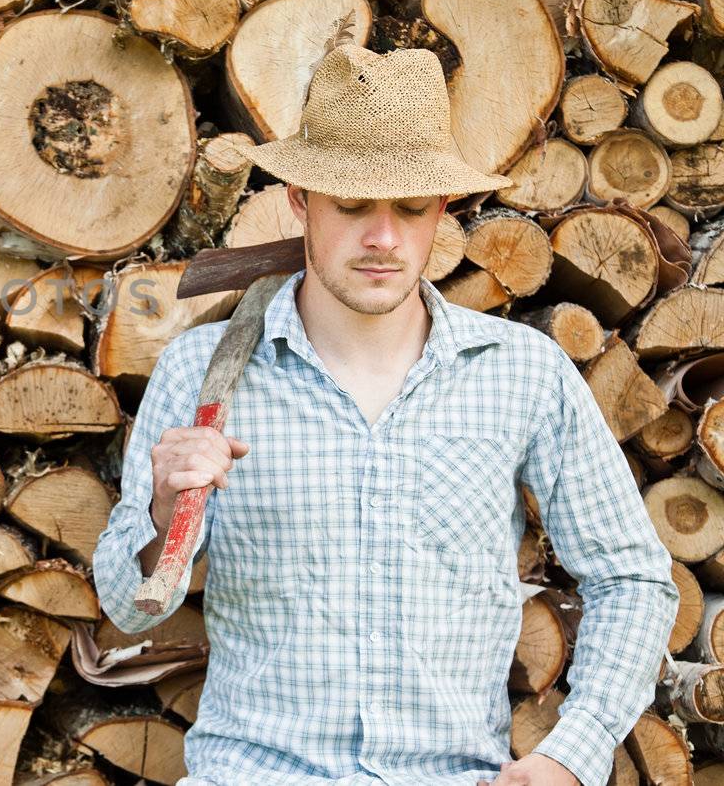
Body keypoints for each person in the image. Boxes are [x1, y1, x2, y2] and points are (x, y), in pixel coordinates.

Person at [92, 44, 679, 786]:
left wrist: (574, 749)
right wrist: (163, 506)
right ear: (300, 201)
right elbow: (128, 608)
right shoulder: (207, 373)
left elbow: (632, 577)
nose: (384, 238)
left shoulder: (520, 373)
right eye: (352, 205)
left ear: (443, 208)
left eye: (410, 207)